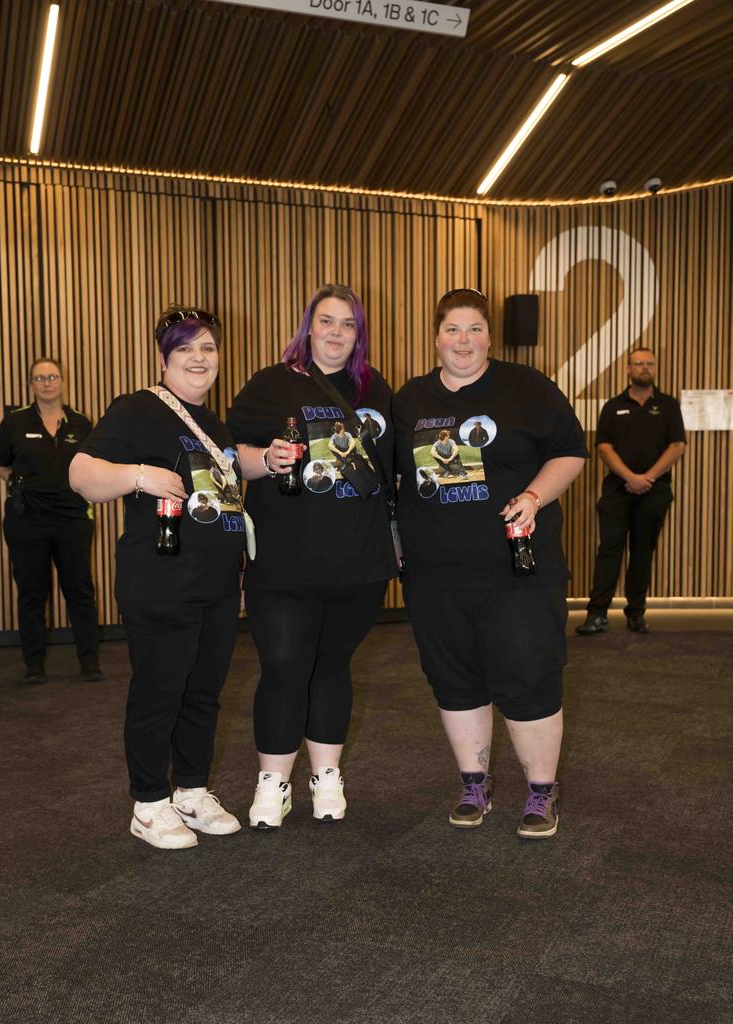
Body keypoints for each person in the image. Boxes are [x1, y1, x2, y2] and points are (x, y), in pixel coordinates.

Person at [393, 288, 587, 840]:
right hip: (437, 574)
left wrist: (533, 495)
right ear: (435, 336)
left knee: (529, 677)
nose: (464, 340)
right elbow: (394, 478)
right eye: (453, 328)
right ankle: (473, 784)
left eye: (475, 328)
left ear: (489, 337)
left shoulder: (527, 387)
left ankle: (541, 792)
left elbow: (569, 452)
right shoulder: (409, 400)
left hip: (518, 569)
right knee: (455, 681)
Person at [69, 305, 244, 850]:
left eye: (207, 348)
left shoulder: (215, 425)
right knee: (160, 692)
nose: (198, 357)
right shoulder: (138, 409)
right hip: (161, 581)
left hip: (215, 584)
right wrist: (139, 475)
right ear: (163, 357)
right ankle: (148, 802)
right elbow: (82, 474)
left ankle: (190, 790)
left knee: (203, 692)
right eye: (185, 348)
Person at [228, 283, 397, 830]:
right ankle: (272, 784)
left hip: (359, 560)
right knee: (282, 667)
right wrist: (266, 457)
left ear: (359, 334)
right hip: (284, 559)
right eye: (326, 321)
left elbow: (396, 469)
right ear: (307, 327)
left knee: (331, 666)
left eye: (348, 324)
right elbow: (229, 454)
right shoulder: (270, 384)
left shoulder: (377, 389)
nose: (336, 333)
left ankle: (326, 777)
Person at [0, 358, 102, 684]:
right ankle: (35, 666)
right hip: (28, 522)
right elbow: (2, 467)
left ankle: (90, 663)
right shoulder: (13, 422)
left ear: (62, 382)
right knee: (31, 593)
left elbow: (92, 466)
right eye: (39, 378)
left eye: (52, 376)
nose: (47, 382)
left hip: (72, 520)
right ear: (31, 385)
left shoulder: (82, 423)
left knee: (80, 590)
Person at [576, 347, 686, 635]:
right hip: (617, 490)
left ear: (655, 367)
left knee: (642, 552)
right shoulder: (613, 406)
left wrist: (646, 477)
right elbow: (603, 447)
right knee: (609, 549)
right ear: (628, 369)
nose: (645, 368)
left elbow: (677, 446)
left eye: (650, 363)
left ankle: (636, 613)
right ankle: (597, 614)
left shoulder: (669, 405)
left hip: (655, 490)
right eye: (639, 363)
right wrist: (629, 477)